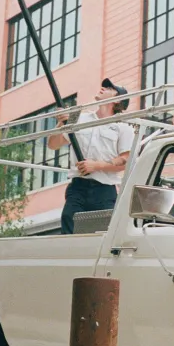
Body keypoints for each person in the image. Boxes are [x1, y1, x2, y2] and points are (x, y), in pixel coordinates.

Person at [48, 78, 135, 235]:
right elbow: (53, 145)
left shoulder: (123, 127)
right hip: (78, 187)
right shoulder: (79, 117)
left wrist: (96, 166)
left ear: (118, 101)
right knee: (69, 226)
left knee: (102, 234)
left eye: (109, 88)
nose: (103, 88)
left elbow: (126, 160)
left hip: (104, 190)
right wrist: (61, 124)